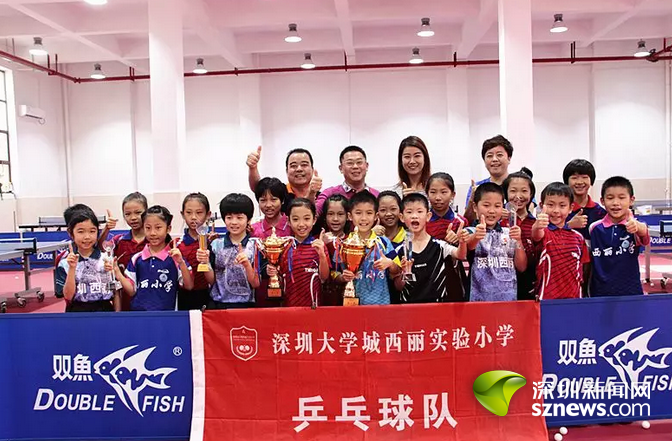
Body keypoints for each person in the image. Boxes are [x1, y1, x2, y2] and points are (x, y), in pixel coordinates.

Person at [114, 206, 193, 311]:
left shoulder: (175, 257)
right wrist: (117, 273)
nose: (153, 233)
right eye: (148, 228)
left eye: (158, 228)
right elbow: (131, 291)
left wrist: (181, 262)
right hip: (140, 315)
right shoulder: (136, 258)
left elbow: (189, 285)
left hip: (167, 316)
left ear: (168, 229)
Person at [394, 193, 468, 303]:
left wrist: (462, 242)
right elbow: (399, 287)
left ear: (428, 216)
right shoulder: (400, 250)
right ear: (402, 217)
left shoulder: (439, 246)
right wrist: (406, 273)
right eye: (409, 212)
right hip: (409, 306)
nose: (414, 216)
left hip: (438, 306)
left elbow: (460, 255)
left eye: (419, 211)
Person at [334, 191, 400, 305]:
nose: (364, 218)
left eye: (369, 213)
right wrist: (342, 277)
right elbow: (333, 274)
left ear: (376, 216)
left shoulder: (384, 242)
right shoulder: (343, 244)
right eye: (358, 213)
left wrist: (390, 264)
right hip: (352, 304)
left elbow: (397, 271)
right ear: (350, 216)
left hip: (381, 304)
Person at [589, 176, 650, 296]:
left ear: (631, 200)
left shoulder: (634, 226)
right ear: (602, 201)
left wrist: (637, 226)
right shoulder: (594, 228)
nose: (616, 203)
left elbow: (644, 234)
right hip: (599, 292)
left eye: (622, 198)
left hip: (631, 292)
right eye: (610, 198)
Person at [465, 183, 527, 302]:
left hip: (508, 300)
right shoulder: (470, 231)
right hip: (478, 301)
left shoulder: (509, 232)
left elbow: (521, 267)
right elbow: (468, 246)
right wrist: (477, 237)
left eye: (497, 206)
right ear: (475, 207)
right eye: (486, 205)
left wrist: (518, 240)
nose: (492, 211)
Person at [197, 194, 260, 309]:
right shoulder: (215, 245)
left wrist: (246, 265)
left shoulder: (255, 246)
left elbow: (255, 284)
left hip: (246, 306)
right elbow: (211, 280)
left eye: (239, 218)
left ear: (249, 219)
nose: (234, 222)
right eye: (229, 217)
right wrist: (205, 262)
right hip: (218, 305)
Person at [267, 198, 330, 307]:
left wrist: (322, 255)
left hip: (314, 307)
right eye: (296, 219)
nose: (301, 224)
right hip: (288, 306)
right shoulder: (284, 247)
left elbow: (324, 277)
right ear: (288, 221)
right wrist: (273, 273)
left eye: (306, 219)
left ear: (314, 220)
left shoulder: (319, 246)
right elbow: (280, 278)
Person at [532, 183, 590, 300]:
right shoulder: (543, 232)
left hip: (574, 298)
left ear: (571, 208)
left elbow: (584, 268)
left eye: (562, 205)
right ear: (541, 206)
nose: (556, 210)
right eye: (550, 205)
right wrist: (537, 226)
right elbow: (536, 234)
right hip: (546, 298)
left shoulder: (578, 237)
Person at [56, 207, 120, 312]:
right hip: (77, 311)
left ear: (97, 232)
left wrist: (117, 315)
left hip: (105, 310)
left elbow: (116, 292)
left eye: (92, 231)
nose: (87, 237)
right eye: (81, 232)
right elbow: (68, 297)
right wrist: (72, 268)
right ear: (71, 233)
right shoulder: (64, 263)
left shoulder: (107, 259)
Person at [250, 178, 291, 307]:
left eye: (273, 199)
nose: (268, 205)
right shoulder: (253, 230)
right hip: (262, 292)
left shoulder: (293, 227)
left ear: (282, 200)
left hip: (291, 291)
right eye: (263, 200)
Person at [103, 192, 148, 310]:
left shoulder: (155, 241)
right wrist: (106, 229)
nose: (133, 218)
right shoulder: (119, 241)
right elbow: (97, 248)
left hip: (150, 301)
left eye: (138, 212)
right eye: (127, 214)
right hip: (125, 301)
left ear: (146, 212)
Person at [246, 147, 322, 213]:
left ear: (312, 169)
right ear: (287, 171)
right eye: (293, 166)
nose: (299, 169)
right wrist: (253, 168)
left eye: (304, 165)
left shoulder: (322, 197)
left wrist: (312, 193)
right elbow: (258, 188)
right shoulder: (280, 191)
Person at [501, 168, 537, 300]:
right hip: (502, 285)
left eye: (524, 191)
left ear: (531, 194)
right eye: (513, 191)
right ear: (505, 193)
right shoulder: (497, 222)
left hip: (529, 286)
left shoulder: (536, 224)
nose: (518, 196)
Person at [315, 145, 379, 215]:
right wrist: (312, 193)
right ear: (341, 168)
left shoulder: (377, 195)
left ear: (366, 166)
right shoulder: (329, 193)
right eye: (350, 163)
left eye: (359, 162)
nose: (355, 166)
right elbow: (313, 214)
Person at [464, 135, 513, 223]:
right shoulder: (477, 187)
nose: (494, 159)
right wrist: (472, 199)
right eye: (489, 156)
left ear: (509, 158)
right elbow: (467, 221)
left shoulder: (519, 184)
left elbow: (527, 213)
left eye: (499, 155)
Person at [175, 193, 212, 311]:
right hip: (184, 295)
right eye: (189, 212)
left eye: (199, 212)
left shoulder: (213, 242)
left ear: (208, 214)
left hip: (209, 295)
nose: (194, 217)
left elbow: (214, 278)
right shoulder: (177, 244)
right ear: (182, 214)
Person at [316, 194, 350, 306]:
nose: (335, 219)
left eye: (340, 214)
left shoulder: (352, 240)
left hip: (348, 294)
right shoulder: (318, 240)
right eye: (330, 214)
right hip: (323, 296)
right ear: (325, 216)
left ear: (348, 216)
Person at [563, 159, 607, 240]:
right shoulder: (561, 210)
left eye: (584, 177)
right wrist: (568, 225)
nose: (580, 182)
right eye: (574, 178)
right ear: (567, 182)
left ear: (591, 181)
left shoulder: (600, 212)